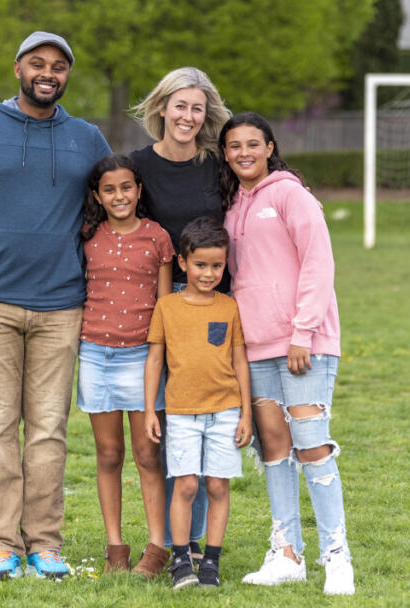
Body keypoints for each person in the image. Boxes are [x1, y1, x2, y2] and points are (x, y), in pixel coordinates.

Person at [0, 31, 111, 582]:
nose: (48, 73)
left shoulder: (88, 139)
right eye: (38, 63)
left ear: (66, 76)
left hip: (62, 306)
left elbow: (115, 205)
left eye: (58, 66)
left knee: (50, 430)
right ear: (18, 69)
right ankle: (1, 545)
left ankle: (45, 545)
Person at [219, 112, 355, 595]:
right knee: (273, 449)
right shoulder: (231, 205)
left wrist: (303, 332)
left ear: (270, 146)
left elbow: (320, 262)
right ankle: (287, 554)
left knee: (312, 446)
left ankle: (337, 556)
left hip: (303, 344)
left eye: (252, 144)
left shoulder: (290, 194)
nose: (243, 153)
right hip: (254, 350)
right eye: (233, 146)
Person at [130, 66, 232, 562]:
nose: (188, 116)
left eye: (197, 108)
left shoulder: (217, 167)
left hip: (211, 309)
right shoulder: (138, 167)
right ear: (162, 108)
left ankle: (187, 545)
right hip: (158, 310)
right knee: (167, 428)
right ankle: (170, 542)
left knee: (202, 421)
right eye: (180, 106)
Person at [77, 154, 174, 577]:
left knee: (148, 454)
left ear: (138, 190)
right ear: (98, 195)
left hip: (141, 357)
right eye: (110, 189)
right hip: (95, 354)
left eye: (127, 187)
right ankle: (115, 546)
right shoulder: (87, 236)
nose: (120, 196)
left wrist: (159, 355)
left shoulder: (157, 238)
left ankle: (157, 546)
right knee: (109, 453)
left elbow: (166, 308)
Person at [144, 216, 252, 589]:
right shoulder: (167, 308)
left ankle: (211, 563)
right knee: (187, 485)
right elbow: (155, 361)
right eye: (201, 265)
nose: (209, 273)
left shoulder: (229, 307)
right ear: (184, 263)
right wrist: (149, 411)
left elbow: (239, 361)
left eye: (217, 266)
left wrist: (246, 416)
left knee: (218, 486)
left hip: (225, 411)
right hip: (181, 412)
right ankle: (180, 562)